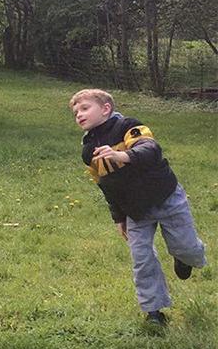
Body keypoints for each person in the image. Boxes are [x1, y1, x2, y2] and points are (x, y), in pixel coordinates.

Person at [70, 89, 207, 328]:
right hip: (135, 210)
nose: (79, 115)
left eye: (84, 108)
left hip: (166, 197)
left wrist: (122, 156)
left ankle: (183, 258)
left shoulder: (129, 126)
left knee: (187, 248)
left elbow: (150, 149)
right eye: (75, 112)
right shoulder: (88, 151)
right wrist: (118, 217)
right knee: (142, 259)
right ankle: (154, 311)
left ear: (105, 109)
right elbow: (106, 185)